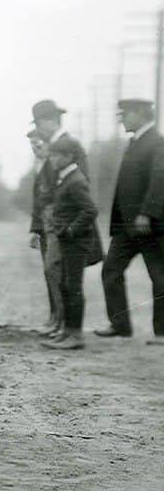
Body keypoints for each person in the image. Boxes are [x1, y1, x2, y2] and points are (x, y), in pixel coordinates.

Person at [96, 98, 164, 344]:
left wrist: (148, 213)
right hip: (127, 227)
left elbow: (160, 179)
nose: (121, 119)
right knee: (111, 270)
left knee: (160, 276)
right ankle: (120, 325)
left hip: (150, 225)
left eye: (124, 114)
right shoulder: (135, 143)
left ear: (139, 114)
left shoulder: (157, 142)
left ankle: (163, 333)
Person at [29, 98, 88, 338]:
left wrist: (63, 222)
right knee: (52, 271)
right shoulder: (52, 148)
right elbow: (41, 193)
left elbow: (79, 186)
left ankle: (65, 325)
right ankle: (58, 321)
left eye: (40, 124)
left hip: (63, 221)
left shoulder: (68, 146)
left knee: (61, 273)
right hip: (51, 220)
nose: (39, 131)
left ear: (50, 121)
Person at [41, 136, 103, 350]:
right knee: (67, 285)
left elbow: (91, 210)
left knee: (73, 287)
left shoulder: (76, 180)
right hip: (69, 241)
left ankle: (76, 335)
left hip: (76, 242)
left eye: (56, 155)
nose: (52, 159)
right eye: (51, 155)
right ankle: (68, 331)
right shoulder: (65, 177)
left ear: (68, 156)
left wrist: (71, 230)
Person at [25, 128, 64, 334]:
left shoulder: (55, 166)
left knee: (56, 272)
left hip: (56, 226)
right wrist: (35, 229)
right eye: (32, 145)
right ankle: (54, 316)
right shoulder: (38, 166)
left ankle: (60, 318)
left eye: (38, 144)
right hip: (44, 227)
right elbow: (37, 203)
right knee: (48, 272)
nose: (35, 148)